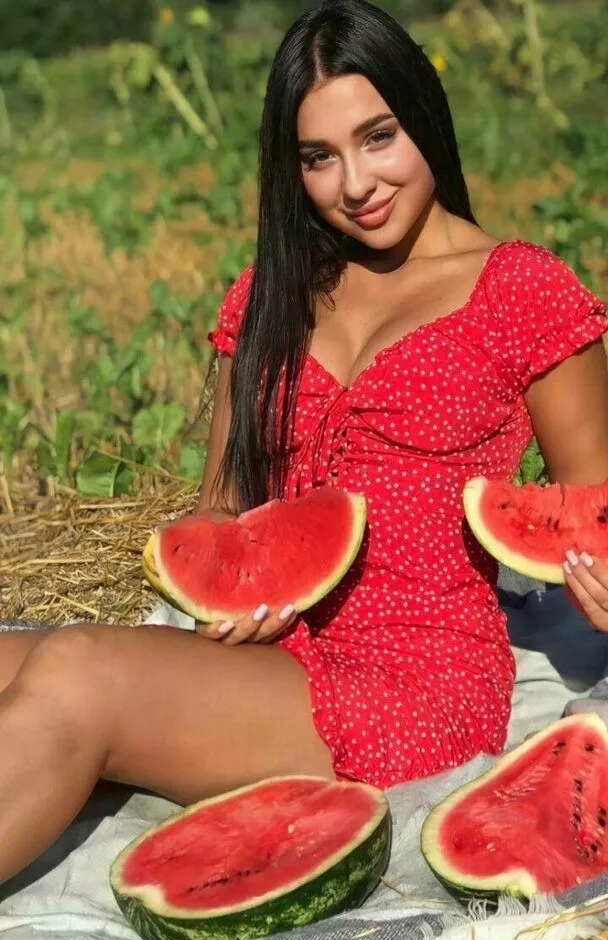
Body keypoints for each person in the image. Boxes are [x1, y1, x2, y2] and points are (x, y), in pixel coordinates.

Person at [1, 0, 608, 886]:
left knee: (80, 673)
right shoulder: (271, 293)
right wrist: (226, 584)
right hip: (265, 656)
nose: (355, 183)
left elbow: (592, 509)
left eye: (378, 137)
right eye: (319, 157)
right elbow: (218, 509)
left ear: (424, 117)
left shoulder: (521, 289)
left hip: (412, 685)